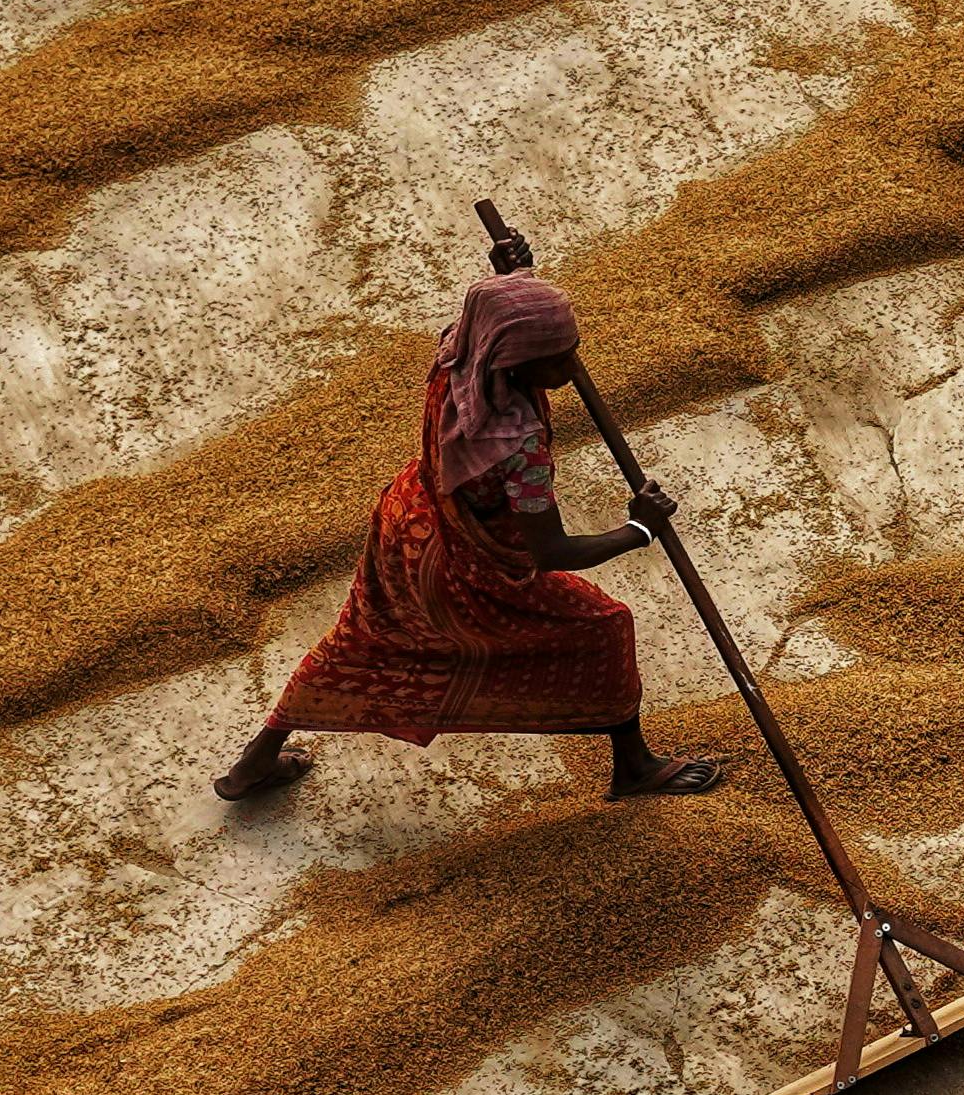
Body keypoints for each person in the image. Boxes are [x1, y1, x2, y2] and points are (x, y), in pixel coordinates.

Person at [215, 270, 734, 805]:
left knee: (364, 634)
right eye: (558, 359)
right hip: (462, 563)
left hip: (409, 520)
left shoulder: (457, 353)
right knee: (603, 628)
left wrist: (513, 273)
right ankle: (634, 767)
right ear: (512, 360)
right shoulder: (518, 444)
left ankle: (253, 763)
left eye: (574, 349)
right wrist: (640, 527)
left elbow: (482, 310)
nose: (572, 367)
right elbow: (552, 552)